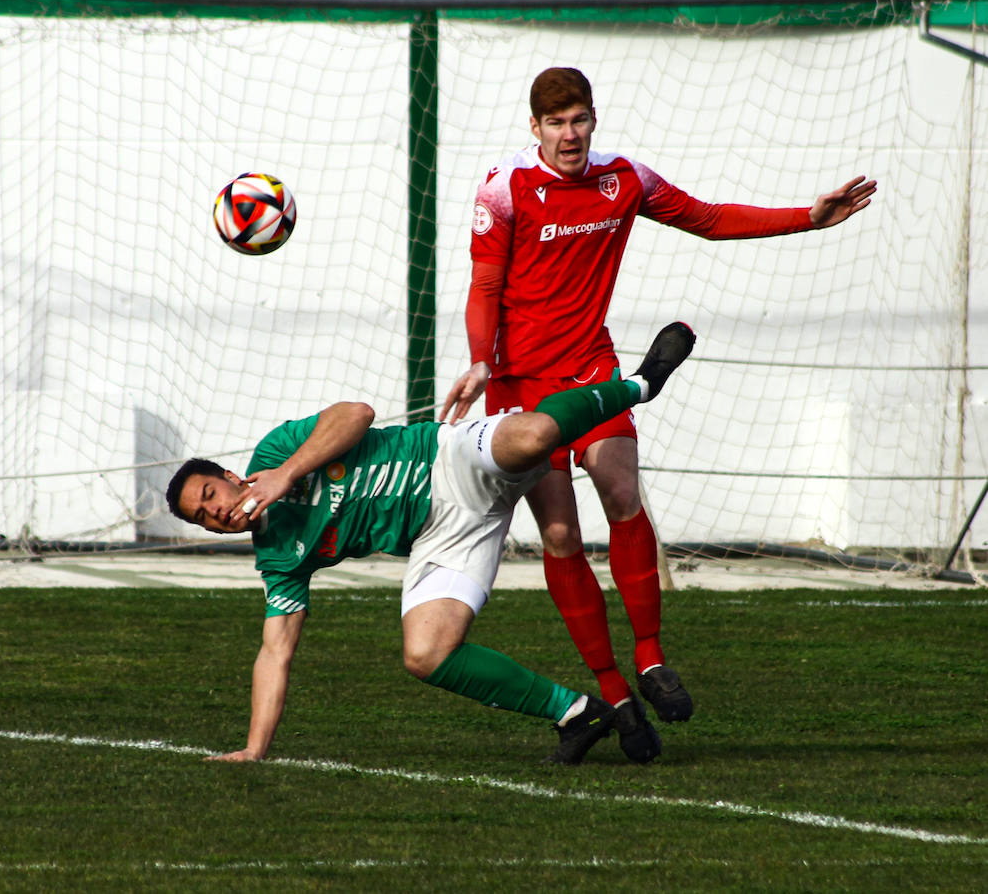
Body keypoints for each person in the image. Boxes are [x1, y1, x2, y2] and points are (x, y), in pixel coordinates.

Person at [440, 67, 876, 732]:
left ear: (593, 118)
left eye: (579, 119)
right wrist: (477, 359)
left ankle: (648, 658)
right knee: (560, 534)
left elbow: (706, 219)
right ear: (534, 128)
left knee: (621, 490)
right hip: (519, 385)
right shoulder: (504, 189)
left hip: (591, 369)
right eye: (555, 123)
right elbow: (484, 287)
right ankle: (612, 691)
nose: (570, 134)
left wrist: (806, 221)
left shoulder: (625, 180)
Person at [166, 322, 696, 766]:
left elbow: (356, 414)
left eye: (210, 493)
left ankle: (641, 384)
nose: (215, 512)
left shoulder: (278, 449)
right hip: (444, 536)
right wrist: (254, 750)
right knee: (424, 653)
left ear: (234, 477)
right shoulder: (279, 560)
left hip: (446, 458)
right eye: (205, 518)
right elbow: (274, 653)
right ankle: (579, 714)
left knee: (534, 439)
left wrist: (286, 473)